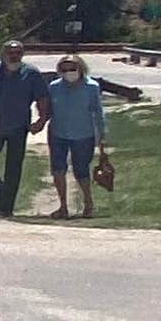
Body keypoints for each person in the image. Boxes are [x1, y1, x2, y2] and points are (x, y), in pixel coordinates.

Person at [0, 39, 49, 217]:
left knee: (13, 167)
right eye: (10, 52)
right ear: (3, 54)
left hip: (18, 126)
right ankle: (1, 194)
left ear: (22, 55)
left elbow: (42, 98)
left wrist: (41, 119)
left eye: (17, 53)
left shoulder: (31, 74)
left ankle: (6, 207)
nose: (14, 56)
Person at [45, 50, 106, 217]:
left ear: (80, 68)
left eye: (72, 69)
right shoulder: (54, 87)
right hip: (58, 133)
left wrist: (101, 135)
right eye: (64, 70)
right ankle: (63, 206)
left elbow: (98, 112)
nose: (68, 73)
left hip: (83, 134)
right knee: (58, 169)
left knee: (81, 170)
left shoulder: (91, 87)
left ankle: (88, 202)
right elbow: (47, 109)